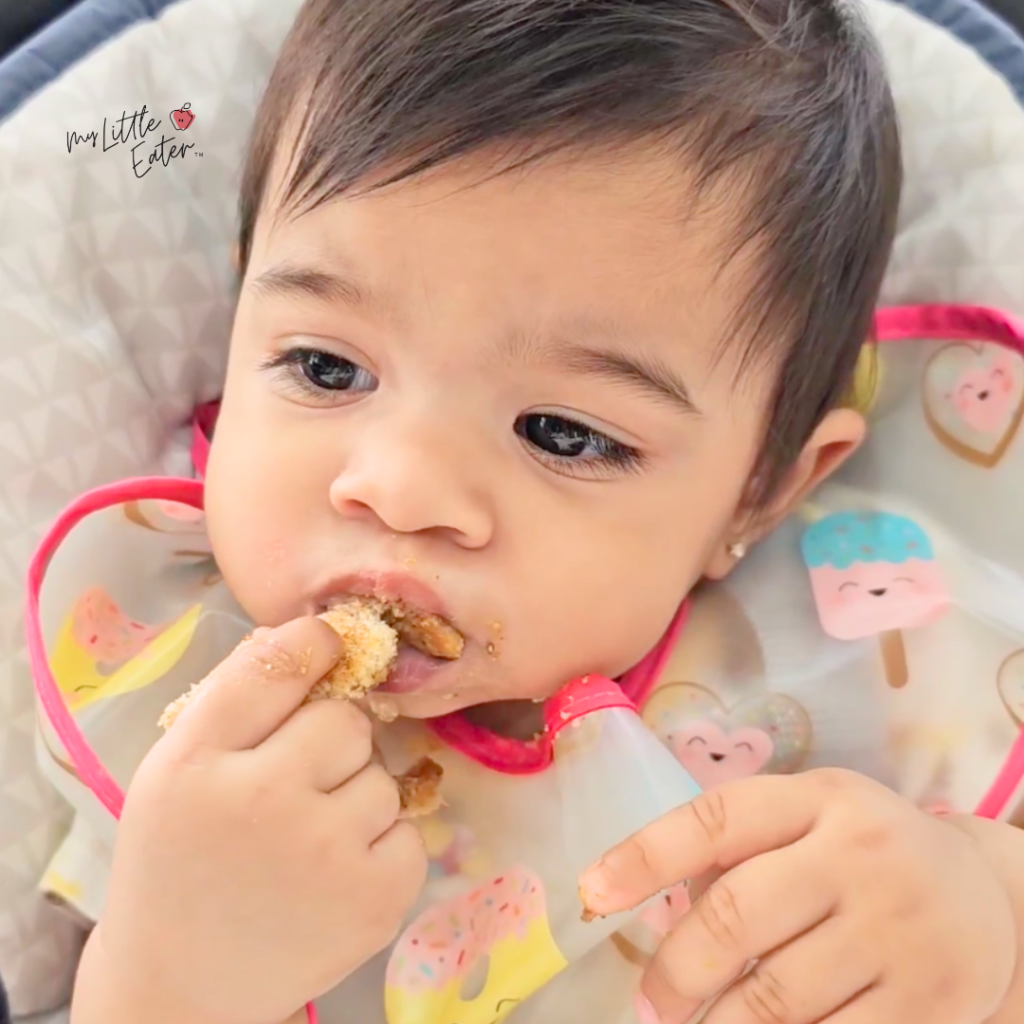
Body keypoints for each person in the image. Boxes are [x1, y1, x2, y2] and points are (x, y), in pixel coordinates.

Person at [27, 1, 1024, 1023]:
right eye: (325, 366)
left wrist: (986, 915)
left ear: (762, 490)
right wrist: (175, 977)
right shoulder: (194, 729)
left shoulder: (874, 642)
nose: (400, 487)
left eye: (563, 432)